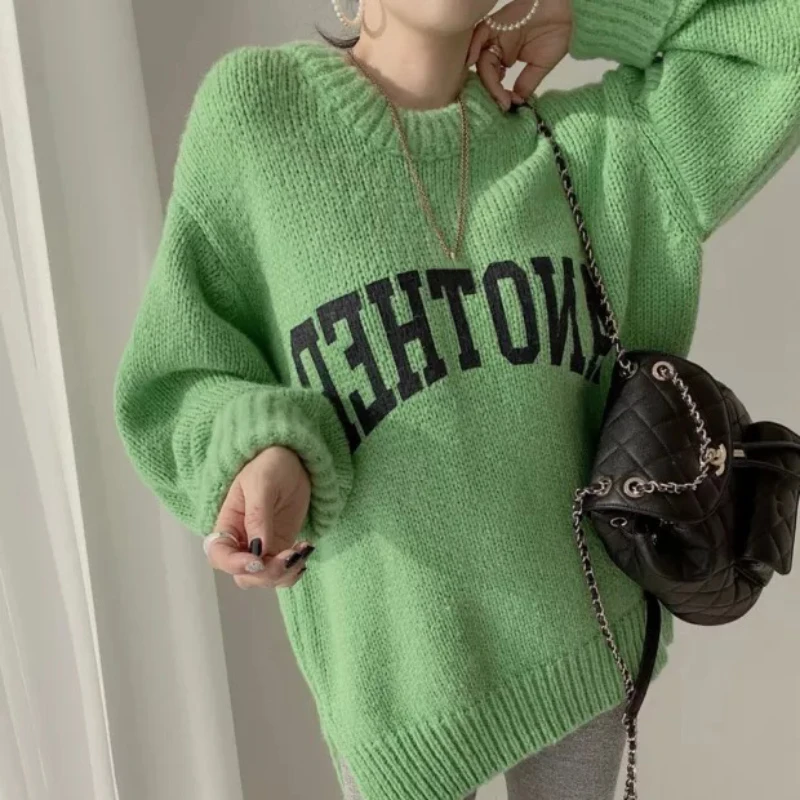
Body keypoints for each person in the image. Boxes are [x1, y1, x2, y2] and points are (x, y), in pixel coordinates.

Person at [113, 0, 800, 798]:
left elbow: (783, 42)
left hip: (583, 648)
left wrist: (576, 7)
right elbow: (177, 371)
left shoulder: (592, 150)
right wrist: (263, 449)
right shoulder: (261, 118)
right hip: (399, 685)